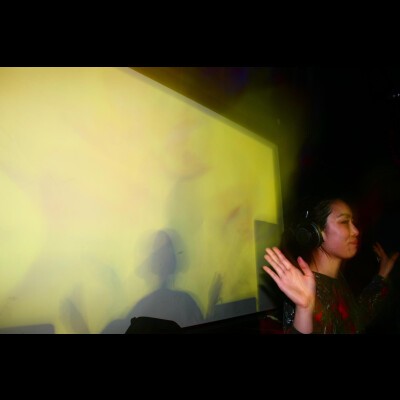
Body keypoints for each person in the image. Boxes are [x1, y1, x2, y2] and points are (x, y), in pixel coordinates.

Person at [263, 196, 399, 334]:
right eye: (344, 222)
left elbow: (357, 319)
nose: (355, 231)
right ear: (318, 232)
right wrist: (304, 309)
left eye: (353, 222)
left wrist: (382, 276)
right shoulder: (303, 288)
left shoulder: (336, 280)